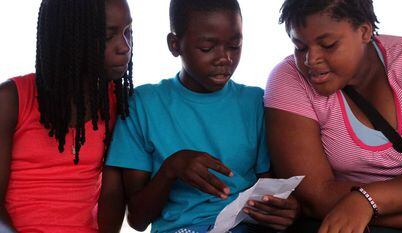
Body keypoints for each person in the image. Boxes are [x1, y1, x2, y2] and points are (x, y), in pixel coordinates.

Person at [98, 0, 299, 232]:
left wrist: (287, 209)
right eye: (207, 48)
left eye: (234, 46)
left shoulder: (255, 101)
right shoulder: (143, 105)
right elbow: (138, 219)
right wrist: (171, 169)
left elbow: (271, 187)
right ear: (175, 45)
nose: (224, 58)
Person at [264, 0, 402, 232]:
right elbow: (315, 197)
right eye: (300, 47)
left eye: (328, 45)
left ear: (364, 31)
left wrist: (366, 200)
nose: (310, 60)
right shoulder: (289, 80)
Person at [0, 0, 133, 232]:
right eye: (108, 36)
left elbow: (112, 198)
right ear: (71, 39)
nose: (124, 46)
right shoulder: (11, 99)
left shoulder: (117, 103)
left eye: (127, 32)